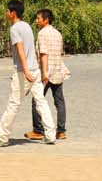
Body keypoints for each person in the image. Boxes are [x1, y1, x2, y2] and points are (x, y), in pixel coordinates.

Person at [0, 0, 55, 146]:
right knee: (41, 102)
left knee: (14, 103)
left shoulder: (14, 29)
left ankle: (2, 136)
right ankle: (50, 135)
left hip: (23, 72)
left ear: (13, 13)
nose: (5, 13)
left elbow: (20, 50)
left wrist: (25, 71)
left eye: (7, 10)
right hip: (35, 70)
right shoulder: (27, 26)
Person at [28, 8, 68, 143]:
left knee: (37, 100)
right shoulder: (58, 34)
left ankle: (38, 130)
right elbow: (60, 53)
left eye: (38, 18)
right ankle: (61, 131)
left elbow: (43, 54)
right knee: (59, 101)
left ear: (46, 20)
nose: (37, 21)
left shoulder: (42, 34)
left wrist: (44, 72)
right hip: (58, 70)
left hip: (45, 72)